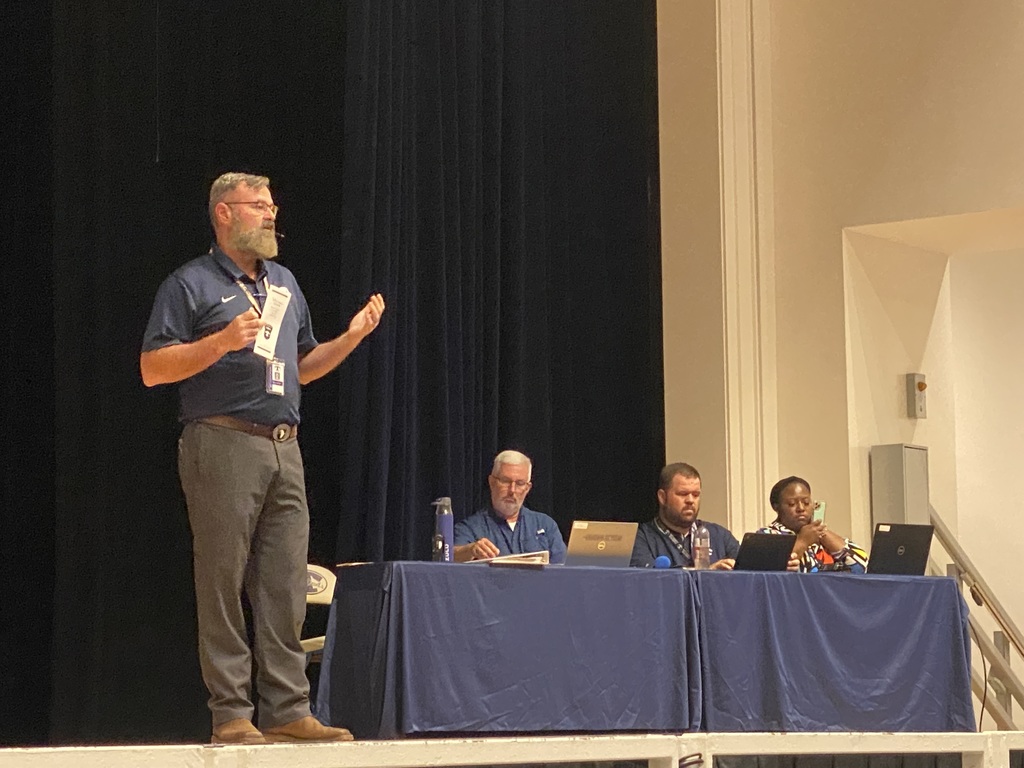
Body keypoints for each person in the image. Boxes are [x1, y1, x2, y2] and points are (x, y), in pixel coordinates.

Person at [140, 172, 386, 745]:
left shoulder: (284, 284)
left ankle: (287, 710)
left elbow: (300, 368)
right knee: (223, 580)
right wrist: (220, 342)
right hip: (221, 442)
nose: (271, 213)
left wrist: (350, 338)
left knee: (283, 583)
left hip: (285, 447)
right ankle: (231, 712)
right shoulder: (191, 283)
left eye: (273, 204)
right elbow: (153, 369)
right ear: (224, 215)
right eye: (258, 205)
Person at [453, 450, 567, 563]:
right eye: (505, 481)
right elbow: (450, 558)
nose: (512, 490)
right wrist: (470, 550)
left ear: (527, 488)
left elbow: (564, 570)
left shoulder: (545, 525)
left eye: (520, 483)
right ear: (492, 482)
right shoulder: (471, 528)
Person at [630, 462, 740, 569]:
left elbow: (748, 571)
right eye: (683, 494)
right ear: (662, 497)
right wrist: (708, 574)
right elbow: (648, 580)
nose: (690, 500)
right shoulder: (641, 538)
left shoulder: (719, 535)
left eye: (696, 495)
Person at [760, 476, 868, 573]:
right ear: (776, 507)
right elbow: (772, 573)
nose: (801, 508)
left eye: (806, 503)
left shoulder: (819, 535)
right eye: (792, 504)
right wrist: (803, 541)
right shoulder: (767, 536)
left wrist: (820, 531)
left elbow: (860, 567)